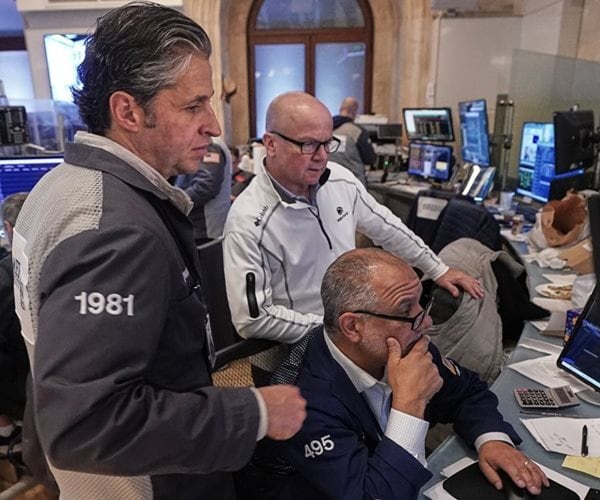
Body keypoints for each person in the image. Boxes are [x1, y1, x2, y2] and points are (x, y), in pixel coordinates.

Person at [12, 3, 305, 499]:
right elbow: (86, 422)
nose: (213, 125)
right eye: (193, 106)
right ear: (128, 111)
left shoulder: (59, 186)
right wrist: (253, 412)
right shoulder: (117, 231)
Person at [223, 91, 483, 381]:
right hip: (294, 350)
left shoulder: (339, 180)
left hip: (351, 336)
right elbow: (252, 319)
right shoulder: (248, 221)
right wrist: (335, 331)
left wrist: (438, 269)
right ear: (271, 143)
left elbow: (388, 228)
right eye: (308, 145)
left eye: (327, 143)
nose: (322, 157)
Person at [265, 248, 549, 499]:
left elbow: (468, 391)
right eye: (405, 309)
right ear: (353, 327)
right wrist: (410, 404)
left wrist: (492, 440)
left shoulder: (402, 344)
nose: (426, 322)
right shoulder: (301, 403)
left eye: (420, 302)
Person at [0, 192, 29, 453]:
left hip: (19, 395)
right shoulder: (67, 264)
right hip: (57, 390)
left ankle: (5, 430)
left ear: (8, 228)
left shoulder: (5, 276)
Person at [176, 136, 232, 244]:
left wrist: (173, 201)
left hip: (205, 227)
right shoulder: (196, 142)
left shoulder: (210, 146)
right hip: (196, 224)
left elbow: (206, 187)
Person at [329, 96, 377, 185]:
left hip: (330, 182)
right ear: (355, 111)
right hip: (354, 183)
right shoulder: (357, 131)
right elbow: (370, 159)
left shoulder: (328, 129)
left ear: (340, 109)